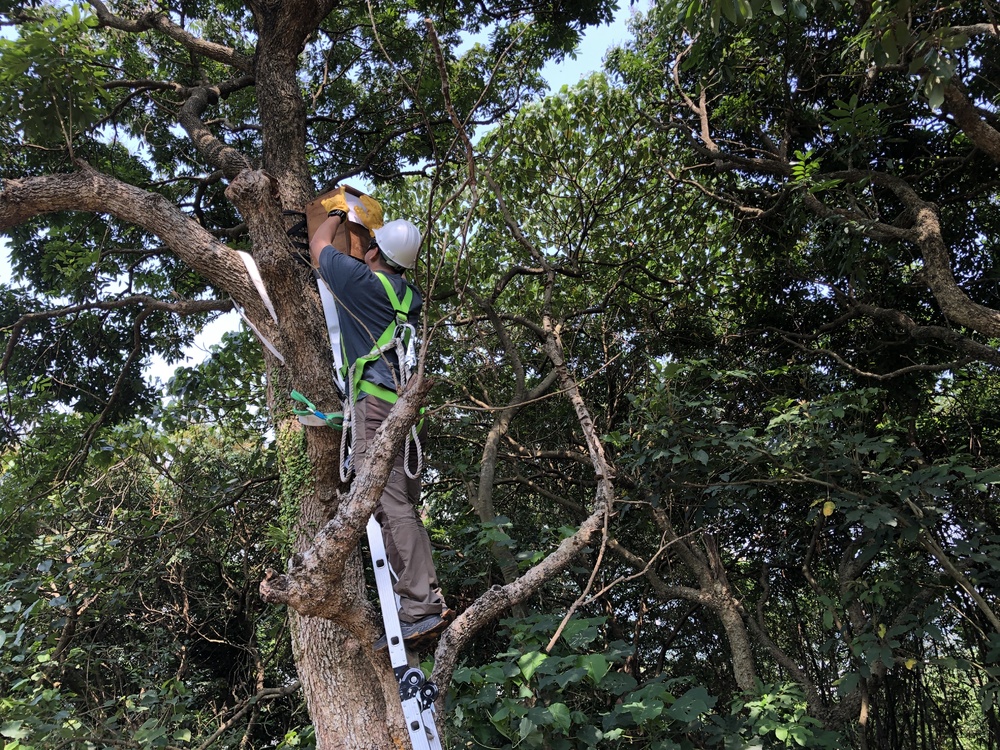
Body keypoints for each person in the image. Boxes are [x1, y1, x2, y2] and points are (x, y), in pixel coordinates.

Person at [308, 187, 449, 647]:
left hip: (374, 407)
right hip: (405, 412)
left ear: (372, 252)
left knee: (389, 506)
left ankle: (420, 605)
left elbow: (319, 249)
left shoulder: (360, 283)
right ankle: (420, 597)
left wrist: (333, 213)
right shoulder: (409, 295)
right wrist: (362, 231)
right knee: (400, 506)